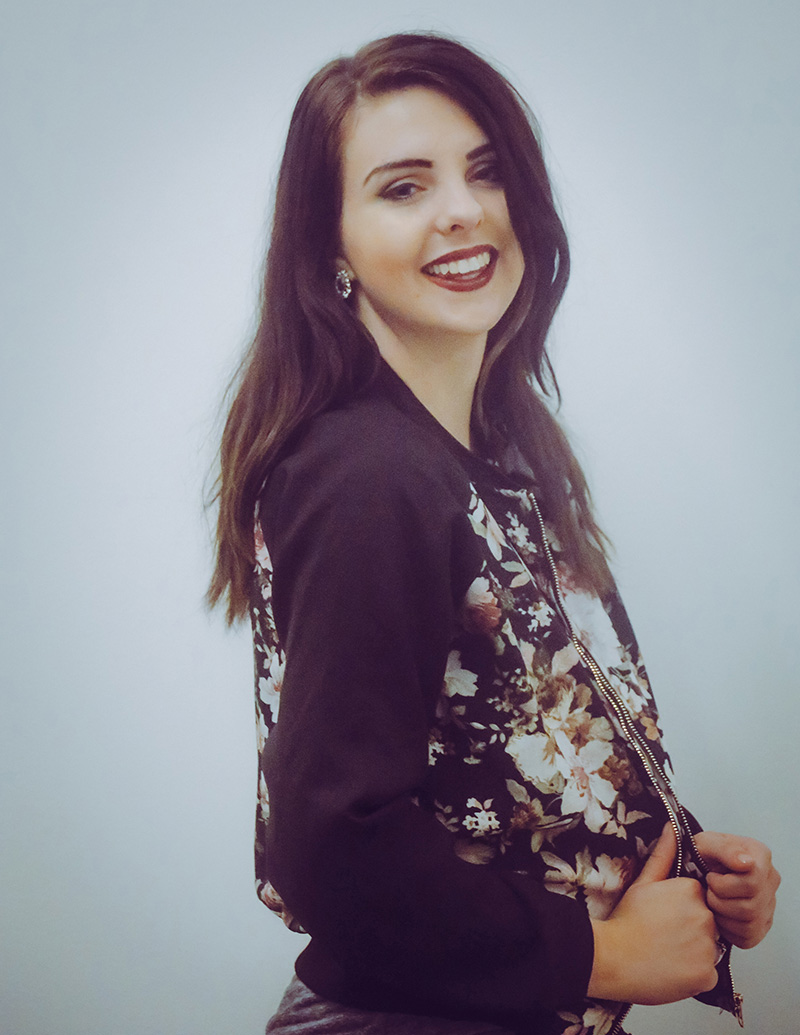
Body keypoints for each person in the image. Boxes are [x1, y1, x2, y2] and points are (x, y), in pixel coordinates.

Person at [207, 33, 779, 1035]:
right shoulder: (367, 475)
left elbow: (501, 752)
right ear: (327, 246)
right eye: (401, 187)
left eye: (483, 171)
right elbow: (334, 845)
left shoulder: (492, 450)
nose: (461, 209)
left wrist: (675, 865)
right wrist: (598, 949)